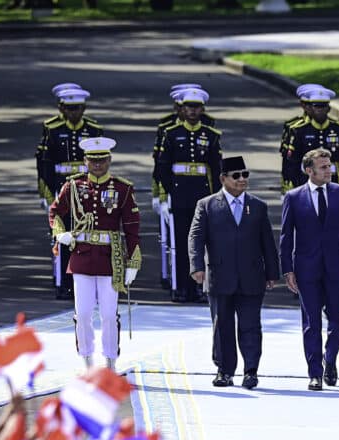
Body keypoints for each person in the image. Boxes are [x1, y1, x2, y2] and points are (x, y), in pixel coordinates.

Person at [49, 137, 141, 370]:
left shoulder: (122, 188)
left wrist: (132, 262)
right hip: (82, 256)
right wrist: (60, 233)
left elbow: (132, 227)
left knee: (109, 314)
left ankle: (110, 361)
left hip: (111, 258)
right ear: (85, 161)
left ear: (109, 160)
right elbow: (55, 212)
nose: (97, 164)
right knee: (83, 313)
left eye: (102, 160)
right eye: (92, 160)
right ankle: (87, 361)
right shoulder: (73, 185)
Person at [188, 156, 279, 389]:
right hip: (219, 275)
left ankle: (251, 371)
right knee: (222, 324)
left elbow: (267, 242)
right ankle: (224, 370)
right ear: (223, 179)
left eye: (245, 175)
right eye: (236, 176)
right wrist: (196, 266)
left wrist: (272, 273)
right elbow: (196, 237)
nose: (242, 180)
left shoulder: (258, 206)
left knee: (250, 325)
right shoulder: (206, 205)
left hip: (251, 275)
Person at [280, 148, 339, 391]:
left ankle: (330, 360)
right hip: (306, 268)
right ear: (309, 170)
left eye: (330, 166)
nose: (330, 171)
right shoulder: (294, 197)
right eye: (324, 167)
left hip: (336, 267)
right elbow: (286, 237)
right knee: (311, 321)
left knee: (337, 317)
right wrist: (288, 270)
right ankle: (314, 373)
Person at [36, 86, 104, 300]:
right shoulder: (52, 129)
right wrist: (48, 195)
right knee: (64, 238)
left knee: (89, 238)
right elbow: (45, 166)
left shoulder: (93, 130)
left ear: (83, 108)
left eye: (77, 108)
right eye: (69, 108)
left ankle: (86, 280)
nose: (74, 112)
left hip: (88, 191)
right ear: (61, 108)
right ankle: (64, 281)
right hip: (63, 190)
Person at [156, 88, 222, 303]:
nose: (192, 111)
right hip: (179, 194)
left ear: (202, 109)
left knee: (201, 244)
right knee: (181, 244)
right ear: (181, 109)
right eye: (188, 107)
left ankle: (199, 288)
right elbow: (162, 168)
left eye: (196, 107)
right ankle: (181, 287)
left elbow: (216, 168)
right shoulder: (171, 134)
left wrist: (217, 197)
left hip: (202, 195)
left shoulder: (210, 136)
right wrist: (164, 196)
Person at [282, 87, 339, 197]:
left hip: (334, 182)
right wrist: (291, 188)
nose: (320, 110)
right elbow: (293, 163)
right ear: (311, 108)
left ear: (328, 109)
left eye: (323, 106)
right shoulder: (299, 131)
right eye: (316, 106)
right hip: (306, 182)